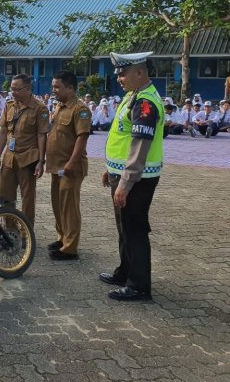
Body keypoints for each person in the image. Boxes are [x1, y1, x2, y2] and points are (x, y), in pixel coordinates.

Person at [100, 51, 164, 301]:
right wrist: (111, 169)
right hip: (124, 174)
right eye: (118, 73)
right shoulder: (132, 97)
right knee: (124, 227)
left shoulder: (145, 103)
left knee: (134, 229)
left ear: (140, 72)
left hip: (138, 178)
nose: (119, 78)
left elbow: (139, 148)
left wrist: (124, 183)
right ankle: (124, 272)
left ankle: (138, 286)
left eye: (123, 73)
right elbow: (123, 138)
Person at [45, 71, 91, 260]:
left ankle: (70, 248)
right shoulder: (59, 107)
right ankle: (62, 238)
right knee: (58, 204)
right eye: (53, 86)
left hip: (70, 167)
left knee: (69, 207)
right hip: (57, 166)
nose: (53, 90)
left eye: (57, 87)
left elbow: (82, 137)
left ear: (70, 88)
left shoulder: (80, 109)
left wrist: (72, 163)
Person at [0, 73, 49, 226]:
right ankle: (10, 230)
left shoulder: (40, 108)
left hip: (28, 159)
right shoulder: (10, 105)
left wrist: (40, 161)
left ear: (28, 89)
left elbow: (42, 135)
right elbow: (3, 132)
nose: (13, 92)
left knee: (27, 199)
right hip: (9, 159)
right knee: (5, 196)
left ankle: (26, 233)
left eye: (17, 89)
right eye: (12, 89)